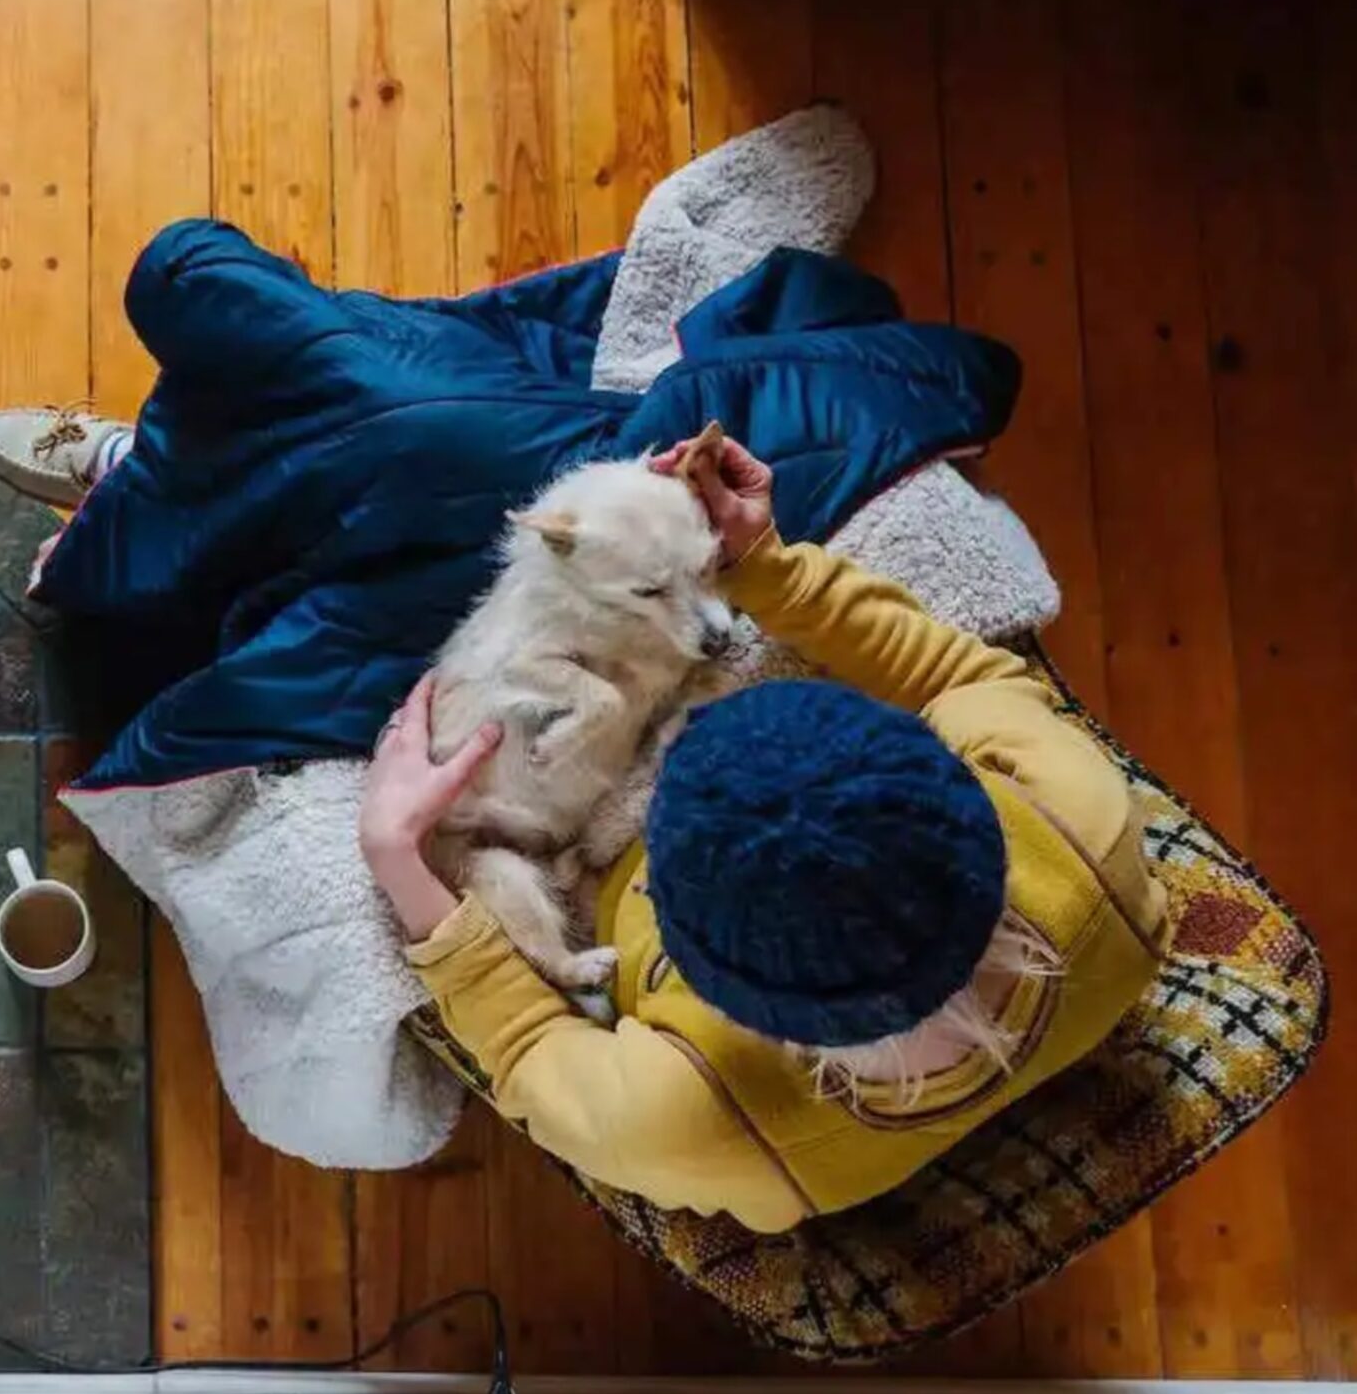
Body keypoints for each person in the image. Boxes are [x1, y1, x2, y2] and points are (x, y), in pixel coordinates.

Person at [359, 438, 1166, 1233]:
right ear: (955, 776)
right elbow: (960, 675)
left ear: (686, 947)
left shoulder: (684, 1120)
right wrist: (767, 564)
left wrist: (399, 859)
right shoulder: (1082, 820)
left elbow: (527, 1045)